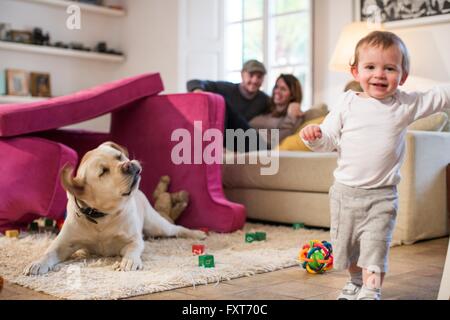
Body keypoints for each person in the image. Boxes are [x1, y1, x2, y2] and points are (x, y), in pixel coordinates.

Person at [300, 31, 450, 300]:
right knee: (348, 248)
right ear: (356, 72)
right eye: (370, 67)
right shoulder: (347, 102)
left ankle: (371, 289)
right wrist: (316, 136)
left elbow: (440, 96)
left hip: (382, 195)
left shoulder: (404, 104)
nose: (379, 74)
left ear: (402, 76)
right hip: (345, 194)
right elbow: (329, 138)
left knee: (375, 246)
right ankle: (356, 281)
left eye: (389, 68)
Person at [187, 60, 271, 130]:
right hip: (223, 136)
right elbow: (194, 82)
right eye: (251, 75)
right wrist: (198, 91)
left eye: (259, 77)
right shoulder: (226, 88)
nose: (254, 80)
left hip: (244, 138)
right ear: (242, 74)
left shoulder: (264, 100)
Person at [250, 74, 305, 148]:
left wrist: (291, 116)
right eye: (276, 87)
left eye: (283, 89)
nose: (277, 91)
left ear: (292, 95)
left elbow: (278, 140)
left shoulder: (294, 115)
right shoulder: (266, 108)